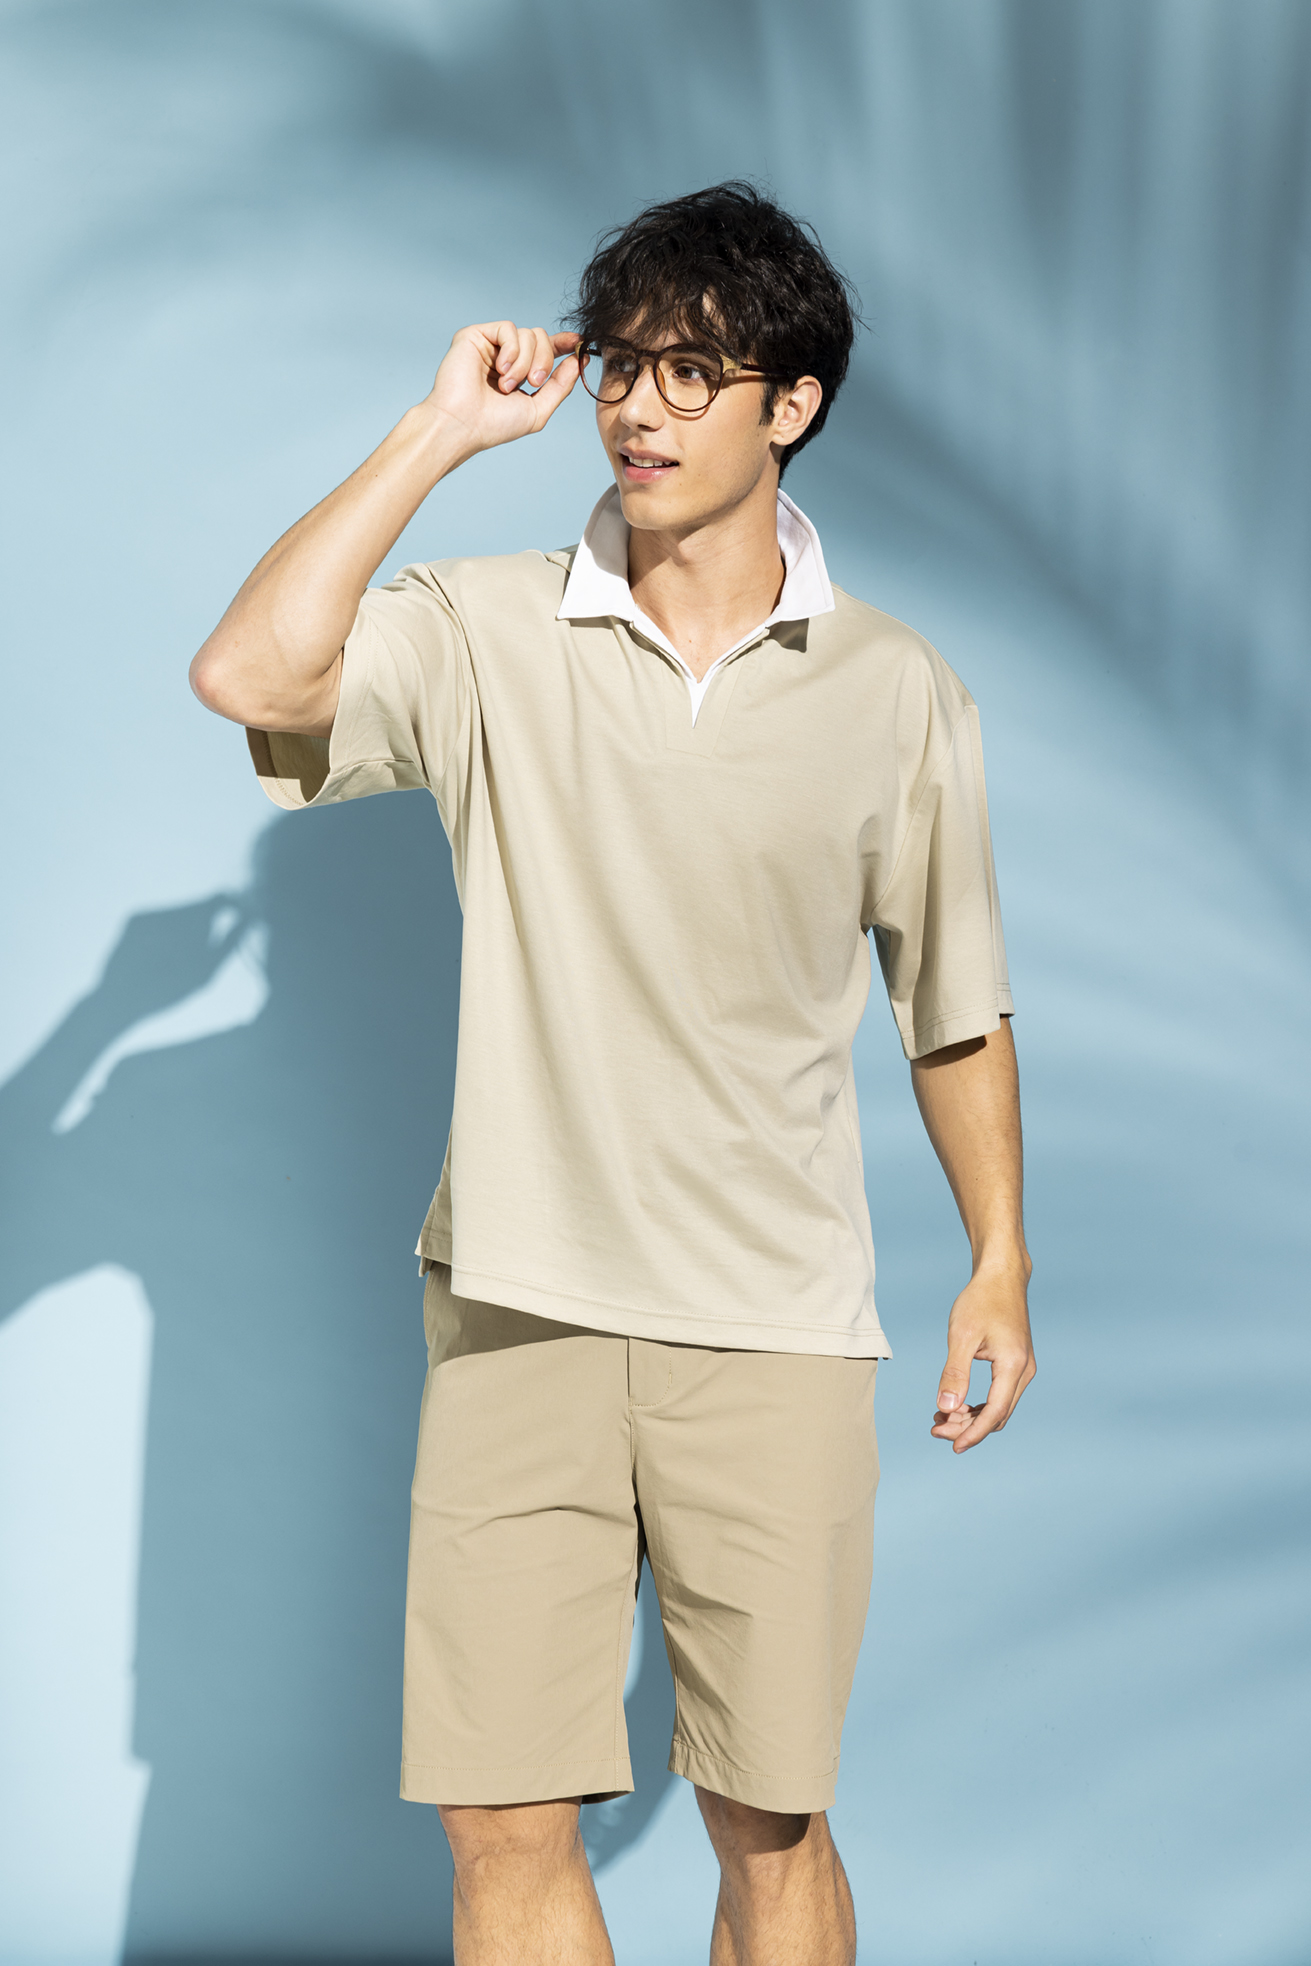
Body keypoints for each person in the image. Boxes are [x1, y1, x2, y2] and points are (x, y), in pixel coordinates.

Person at [190, 181, 1035, 1966]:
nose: (639, 409)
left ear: (790, 404)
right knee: (501, 1821)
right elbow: (249, 670)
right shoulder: (488, 629)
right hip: (523, 1305)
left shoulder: (899, 689)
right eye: (621, 368)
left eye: (691, 373)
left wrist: (1000, 1259)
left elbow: (953, 1002)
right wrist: (437, 432)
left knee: (770, 1824)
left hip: (775, 1321)